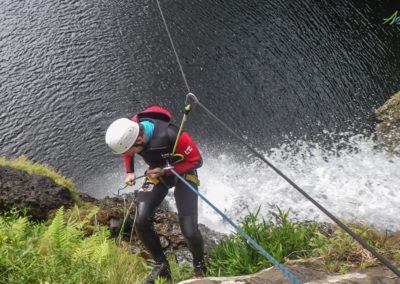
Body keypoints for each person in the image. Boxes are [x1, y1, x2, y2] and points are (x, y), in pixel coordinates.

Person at [105, 106, 206, 283]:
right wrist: (129, 171)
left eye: (129, 151)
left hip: (183, 173)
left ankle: (200, 265)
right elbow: (127, 151)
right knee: (141, 220)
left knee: (189, 230)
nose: (128, 155)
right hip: (157, 173)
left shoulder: (172, 135)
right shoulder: (132, 129)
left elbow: (197, 160)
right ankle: (162, 266)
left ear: (139, 140)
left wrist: (167, 171)